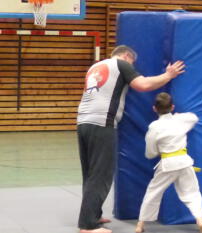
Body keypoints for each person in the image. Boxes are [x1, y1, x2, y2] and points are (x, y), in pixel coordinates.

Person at [77, 45, 185, 233]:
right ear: (127, 56)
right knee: (101, 175)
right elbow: (143, 85)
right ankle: (88, 225)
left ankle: (93, 215)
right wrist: (168, 75)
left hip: (83, 122)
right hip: (102, 123)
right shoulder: (121, 64)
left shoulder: (96, 66)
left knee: (90, 173)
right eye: (132, 63)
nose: (132, 67)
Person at [135, 92, 202, 233]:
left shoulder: (154, 126)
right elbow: (194, 117)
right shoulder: (181, 120)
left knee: (153, 192)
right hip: (184, 162)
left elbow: (150, 153)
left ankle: (140, 225)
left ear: (154, 109)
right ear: (173, 107)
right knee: (192, 192)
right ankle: (199, 219)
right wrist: (179, 115)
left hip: (167, 164)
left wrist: (156, 151)